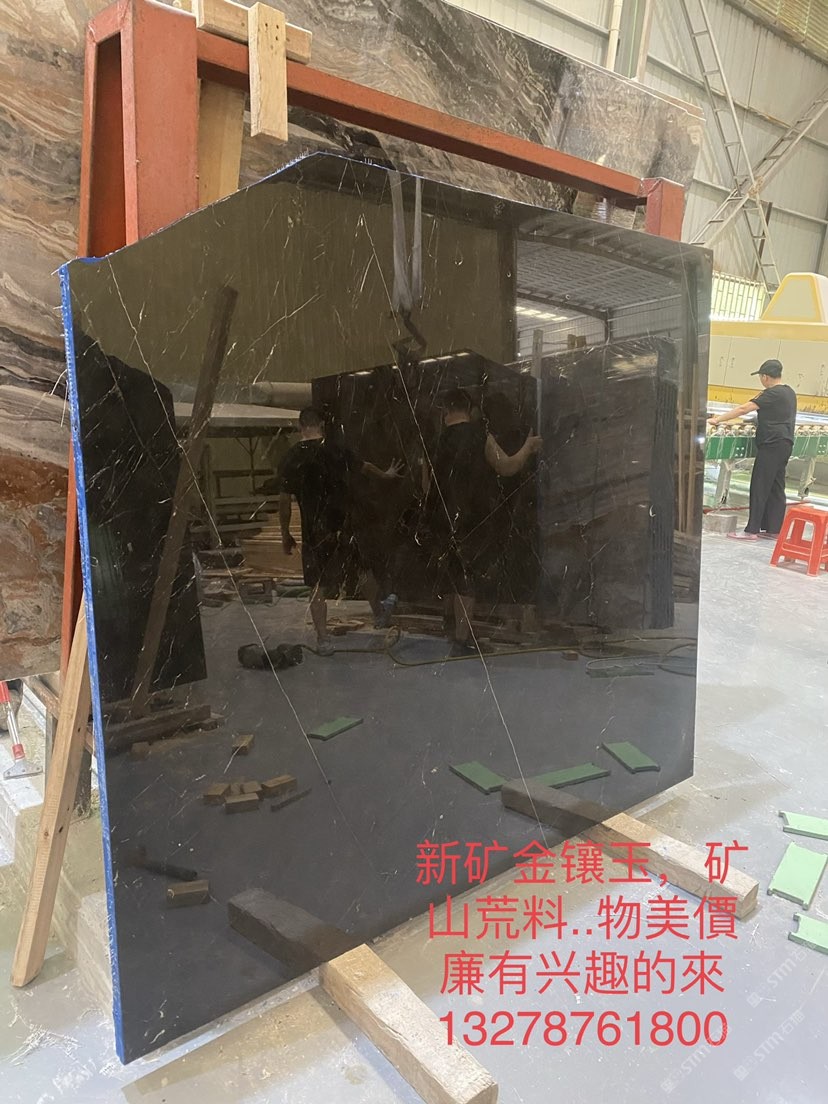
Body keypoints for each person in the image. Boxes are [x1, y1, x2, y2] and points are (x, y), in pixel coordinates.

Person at [424, 388, 541, 656]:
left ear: (445, 411)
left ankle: (451, 628)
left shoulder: (434, 441)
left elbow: (426, 485)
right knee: (466, 577)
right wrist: (528, 447)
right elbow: (507, 467)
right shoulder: (479, 436)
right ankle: (461, 640)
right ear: (470, 409)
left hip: (441, 518)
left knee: (452, 572)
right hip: (471, 518)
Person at [278, 407, 401, 655]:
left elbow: (284, 502)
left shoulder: (290, 457)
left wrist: (285, 534)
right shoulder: (336, 450)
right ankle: (380, 614)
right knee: (361, 568)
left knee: (317, 584)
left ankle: (323, 640)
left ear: (300, 426)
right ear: (322, 425)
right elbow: (365, 467)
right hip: (342, 525)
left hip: (314, 531)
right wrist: (387, 475)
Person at [709, 359, 796, 541]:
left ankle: (751, 530)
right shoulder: (789, 392)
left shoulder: (771, 393)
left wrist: (717, 420)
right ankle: (774, 529)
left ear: (765, 377)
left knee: (759, 486)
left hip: (771, 444)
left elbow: (744, 408)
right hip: (785, 444)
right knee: (776, 486)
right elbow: (775, 414)